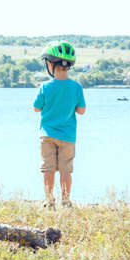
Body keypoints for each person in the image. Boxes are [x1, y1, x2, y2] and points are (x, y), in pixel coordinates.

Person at [33, 41, 86, 209]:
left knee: (48, 169)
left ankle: (49, 201)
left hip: (47, 135)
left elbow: (36, 108)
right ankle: (65, 201)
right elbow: (82, 110)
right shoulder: (76, 87)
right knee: (66, 170)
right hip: (68, 136)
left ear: (50, 64)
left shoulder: (45, 87)